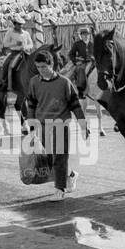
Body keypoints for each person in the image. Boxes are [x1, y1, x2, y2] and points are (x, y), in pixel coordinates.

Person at [25, 49, 89, 201]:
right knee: (48, 159)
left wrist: (83, 125)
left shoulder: (64, 83)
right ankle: (71, 175)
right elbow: (31, 105)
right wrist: (32, 127)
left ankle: (60, 189)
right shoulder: (34, 82)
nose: (41, 70)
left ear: (51, 64)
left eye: (44, 67)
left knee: (60, 157)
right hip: (42, 125)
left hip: (61, 125)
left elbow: (75, 106)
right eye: (38, 67)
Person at [0, 15, 33, 93]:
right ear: (15, 24)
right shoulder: (10, 32)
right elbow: (5, 44)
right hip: (15, 53)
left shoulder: (26, 33)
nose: (20, 26)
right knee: (7, 64)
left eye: (21, 24)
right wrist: (15, 44)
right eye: (18, 24)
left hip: (26, 52)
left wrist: (26, 47)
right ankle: (5, 82)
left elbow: (31, 44)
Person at [67, 27, 94, 98]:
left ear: (89, 35)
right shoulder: (77, 44)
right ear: (81, 36)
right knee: (81, 69)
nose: (86, 36)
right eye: (84, 35)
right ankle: (80, 91)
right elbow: (71, 54)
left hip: (92, 63)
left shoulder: (92, 44)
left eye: (87, 35)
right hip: (82, 62)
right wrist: (75, 62)